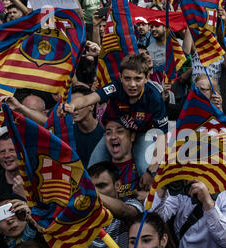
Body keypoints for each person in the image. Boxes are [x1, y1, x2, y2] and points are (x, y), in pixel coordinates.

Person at [59, 53, 168, 191]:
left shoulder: (154, 98)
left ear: (147, 78)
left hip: (141, 134)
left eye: (138, 79)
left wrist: (151, 171)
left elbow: (162, 136)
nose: (132, 84)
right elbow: (89, 98)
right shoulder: (115, 87)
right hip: (113, 132)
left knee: (143, 168)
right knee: (93, 169)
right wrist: (72, 106)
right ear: (120, 78)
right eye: (127, 78)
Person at [86, 161, 143, 248]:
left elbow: (125, 212)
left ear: (117, 185)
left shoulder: (131, 204)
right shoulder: (82, 216)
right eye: (91, 187)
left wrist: (92, 195)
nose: (96, 191)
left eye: (102, 186)